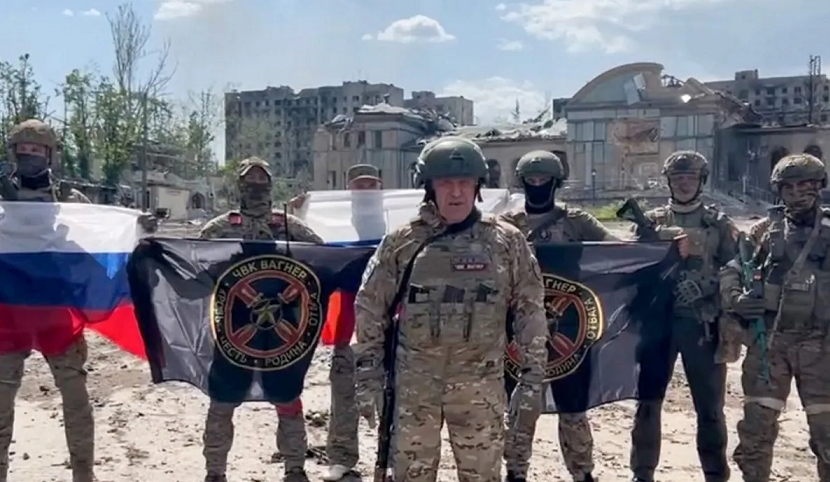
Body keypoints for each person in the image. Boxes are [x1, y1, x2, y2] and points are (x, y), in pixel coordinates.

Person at [353, 136, 548, 482]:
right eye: (445, 183)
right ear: (429, 187)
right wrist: (368, 377)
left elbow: (530, 311)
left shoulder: (506, 242)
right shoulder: (402, 243)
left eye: (464, 183)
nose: (456, 193)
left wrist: (532, 380)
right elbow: (370, 308)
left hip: (480, 389)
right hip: (415, 389)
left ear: (478, 187)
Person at [199, 157, 324, 482]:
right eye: (249, 181)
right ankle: (215, 472)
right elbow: (193, 260)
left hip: (282, 330)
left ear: (270, 185)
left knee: (287, 396)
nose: (256, 186)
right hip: (233, 326)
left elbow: (324, 257)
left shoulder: (289, 226)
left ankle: (295, 468)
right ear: (239, 186)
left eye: (261, 180)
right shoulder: (220, 227)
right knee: (223, 398)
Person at [499, 150, 616, 482]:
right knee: (520, 406)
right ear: (522, 182)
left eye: (544, 180)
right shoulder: (507, 225)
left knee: (573, 406)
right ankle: (515, 471)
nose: (537, 185)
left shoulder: (577, 221)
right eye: (531, 180)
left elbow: (620, 250)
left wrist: (663, 242)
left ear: (556, 183)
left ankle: (582, 472)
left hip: (570, 329)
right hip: (518, 330)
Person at [720, 153, 830, 482]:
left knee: (827, 433)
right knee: (756, 433)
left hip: (822, 345)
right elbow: (732, 270)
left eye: (805, 186)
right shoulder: (764, 232)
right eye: (789, 187)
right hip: (770, 343)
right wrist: (737, 300)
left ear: (819, 187)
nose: (797, 193)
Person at [628, 151, 736, 482]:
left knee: (710, 407)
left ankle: (715, 474)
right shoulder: (651, 221)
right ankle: (642, 472)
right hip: (658, 325)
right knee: (648, 402)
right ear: (669, 182)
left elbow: (736, 269)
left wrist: (709, 282)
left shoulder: (719, 223)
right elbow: (631, 266)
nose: (684, 184)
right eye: (678, 178)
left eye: (691, 177)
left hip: (701, 324)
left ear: (702, 181)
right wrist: (656, 243)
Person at [0, 119, 98, 482]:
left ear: (50, 155)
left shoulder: (70, 201)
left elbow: (96, 241)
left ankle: (83, 474)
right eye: (23, 150)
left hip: (56, 312)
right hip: (8, 312)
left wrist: (136, 230)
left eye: (37, 150)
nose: (29, 156)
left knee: (76, 401)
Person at [322, 163, 384, 482]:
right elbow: (307, 248)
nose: (365, 191)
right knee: (343, 393)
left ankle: (389, 459)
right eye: (359, 185)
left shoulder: (398, 222)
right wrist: (299, 210)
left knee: (392, 396)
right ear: (349, 189)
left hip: (388, 326)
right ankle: (341, 459)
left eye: (371, 185)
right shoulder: (333, 224)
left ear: (381, 188)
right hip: (348, 326)